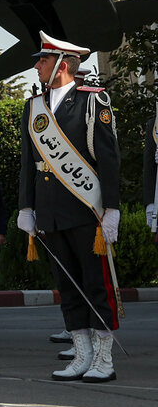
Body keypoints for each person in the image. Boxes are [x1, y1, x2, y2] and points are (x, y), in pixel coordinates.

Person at [18, 32, 121, 383]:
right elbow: (28, 164)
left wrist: (112, 208)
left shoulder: (94, 102)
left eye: (42, 61)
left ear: (62, 64)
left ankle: (103, 358)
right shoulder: (33, 107)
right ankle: (82, 354)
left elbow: (108, 159)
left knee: (95, 285)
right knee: (69, 287)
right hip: (50, 211)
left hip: (85, 211)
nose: (37, 66)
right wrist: (26, 208)